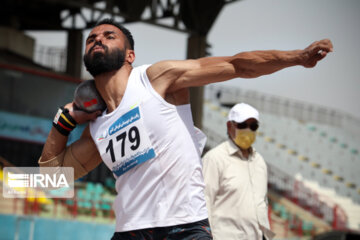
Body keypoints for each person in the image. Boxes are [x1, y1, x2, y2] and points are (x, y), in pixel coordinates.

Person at [38, 18, 332, 240]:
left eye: (109, 35)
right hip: (130, 230)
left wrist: (297, 58)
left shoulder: (157, 80)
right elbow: (49, 180)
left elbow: (236, 64)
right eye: (91, 39)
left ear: (130, 55)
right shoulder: (97, 125)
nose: (97, 39)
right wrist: (63, 124)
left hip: (184, 227)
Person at [202, 103, 274, 240]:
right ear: (230, 126)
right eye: (242, 125)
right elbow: (205, 203)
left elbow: (262, 204)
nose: (248, 130)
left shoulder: (259, 162)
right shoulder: (215, 159)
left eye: (253, 126)